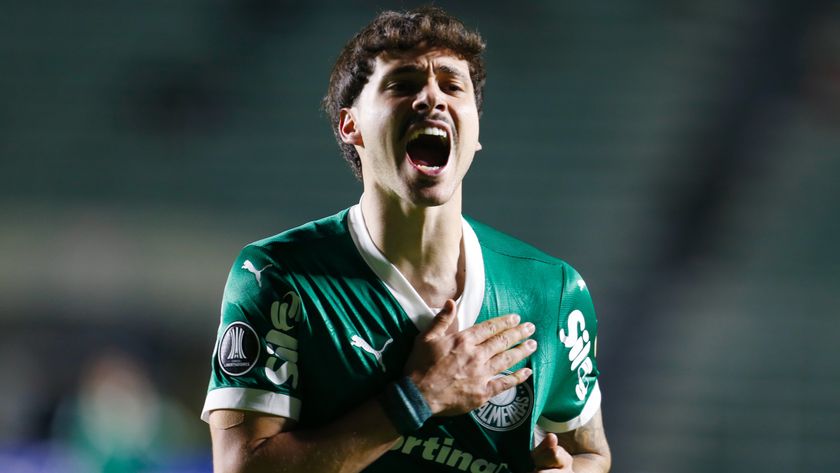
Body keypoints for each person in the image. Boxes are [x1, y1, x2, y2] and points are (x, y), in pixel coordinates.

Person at [201, 7, 610, 473]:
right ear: (350, 125)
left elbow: (588, 452)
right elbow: (239, 468)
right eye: (404, 83)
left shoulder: (552, 291)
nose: (431, 97)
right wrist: (417, 397)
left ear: (476, 130)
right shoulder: (278, 276)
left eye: (453, 86)